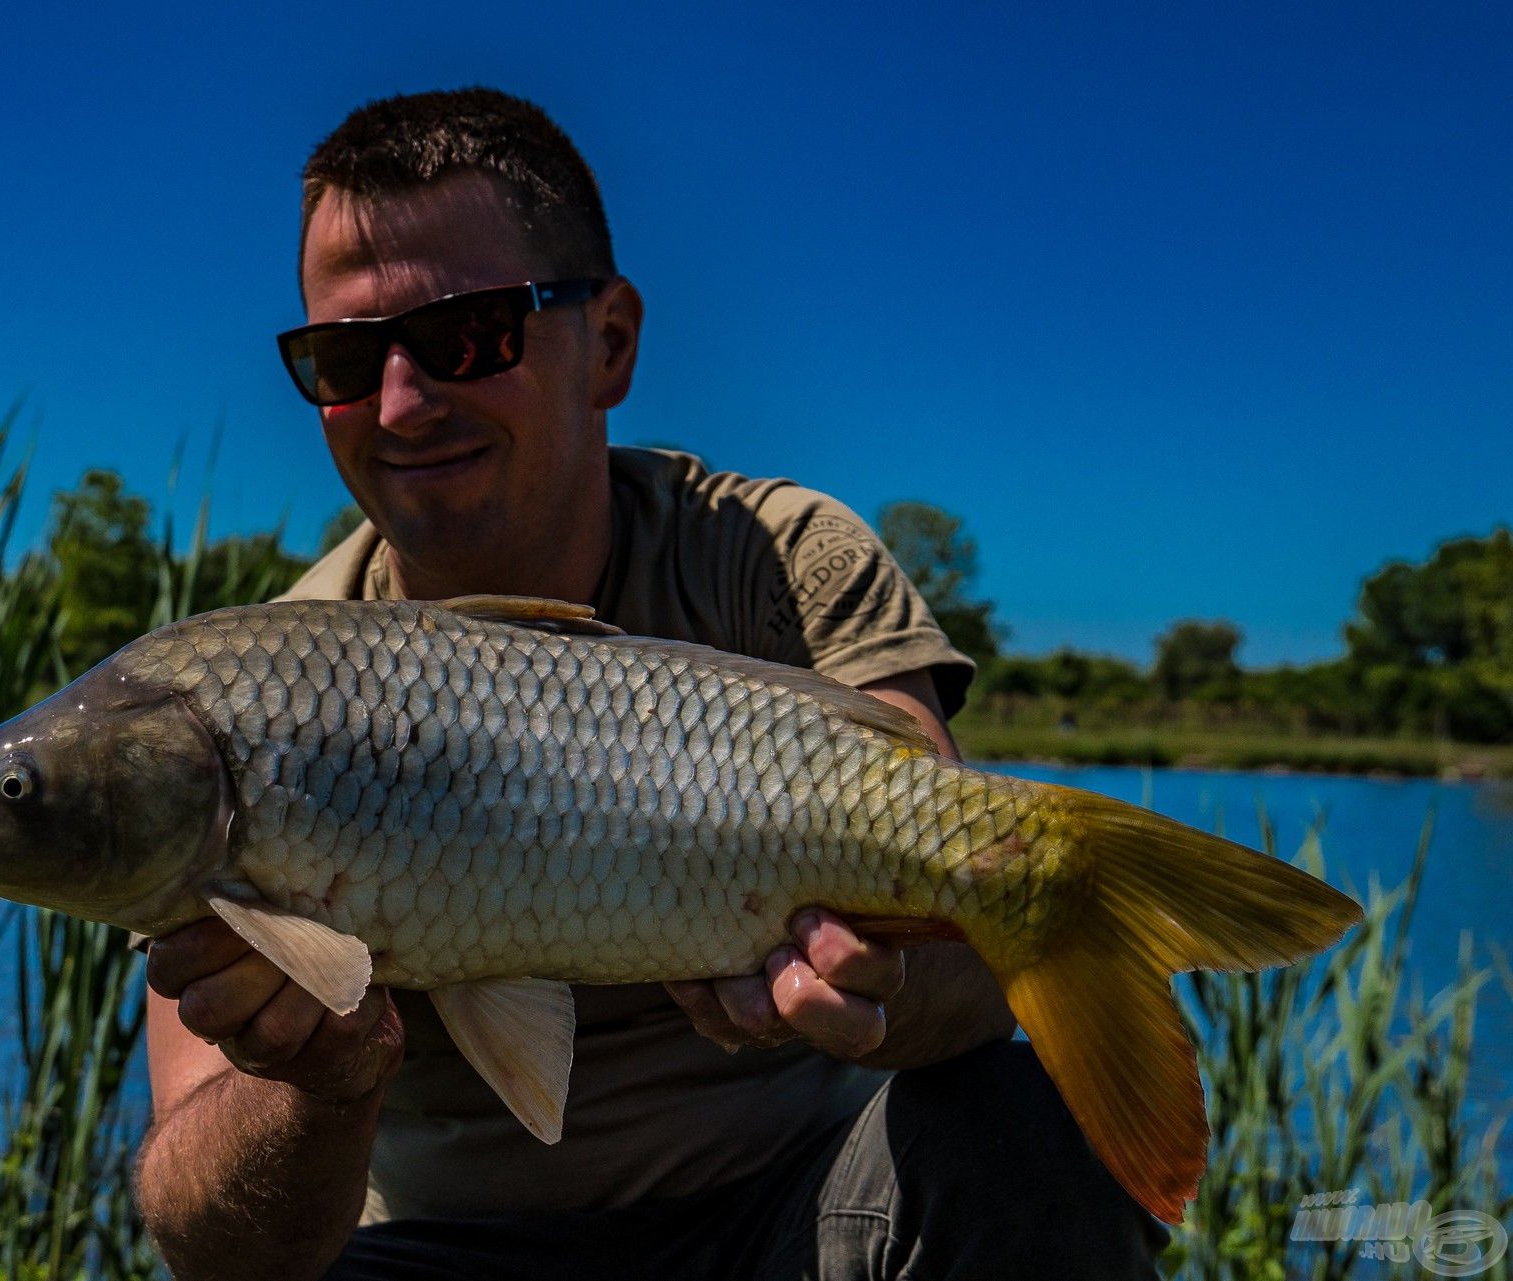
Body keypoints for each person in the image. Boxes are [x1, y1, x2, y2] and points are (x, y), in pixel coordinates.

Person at [134, 87, 1167, 1280]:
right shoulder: (243, 703)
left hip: (794, 1213)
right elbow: (214, 1247)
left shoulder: (776, 559)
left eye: (470, 334)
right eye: (348, 357)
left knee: (1016, 1120)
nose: (405, 402)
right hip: (440, 1247)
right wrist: (318, 1082)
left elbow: (969, 969)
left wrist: (869, 983)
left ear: (610, 341)